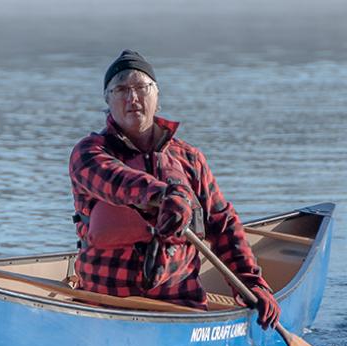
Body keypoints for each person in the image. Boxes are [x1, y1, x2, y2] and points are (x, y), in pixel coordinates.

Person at [69, 49, 280, 329]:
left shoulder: (189, 158)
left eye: (141, 88)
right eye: (120, 89)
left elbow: (222, 222)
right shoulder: (89, 153)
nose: (132, 98)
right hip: (105, 303)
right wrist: (162, 196)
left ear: (156, 97)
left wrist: (251, 283)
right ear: (108, 100)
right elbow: (115, 180)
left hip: (180, 306)